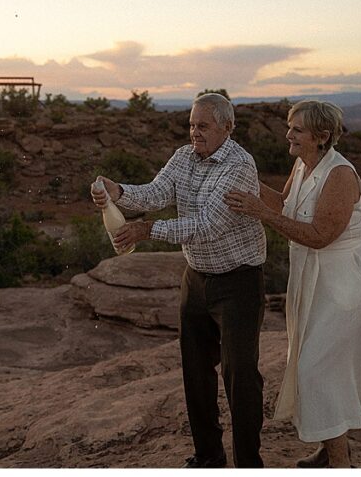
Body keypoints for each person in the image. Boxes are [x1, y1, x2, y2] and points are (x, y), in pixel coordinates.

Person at [91, 92, 266, 469]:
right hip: (197, 280)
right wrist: (116, 191)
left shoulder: (238, 165)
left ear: (227, 127)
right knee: (196, 372)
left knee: (240, 378)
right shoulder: (184, 156)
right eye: (191, 124)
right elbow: (155, 193)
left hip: (238, 283)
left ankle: (250, 465)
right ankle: (209, 457)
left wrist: (146, 231)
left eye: (203, 126)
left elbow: (206, 226)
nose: (194, 133)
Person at [225, 100, 361, 469]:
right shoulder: (304, 164)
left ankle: (340, 464)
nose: (288, 135)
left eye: (297, 130)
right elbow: (286, 204)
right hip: (315, 281)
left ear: (322, 136)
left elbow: (320, 235)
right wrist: (244, 182)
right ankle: (330, 451)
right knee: (326, 369)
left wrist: (260, 212)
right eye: (289, 127)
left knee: (316, 368)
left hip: (344, 284)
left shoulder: (341, 174)